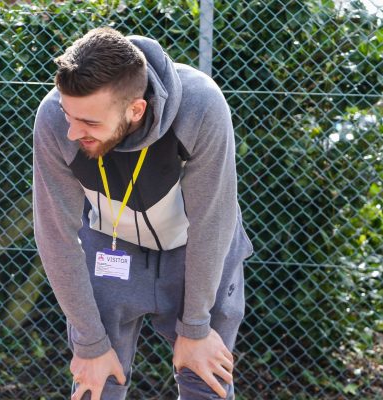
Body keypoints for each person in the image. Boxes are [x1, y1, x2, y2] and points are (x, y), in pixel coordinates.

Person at [32, 28, 253, 400]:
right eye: (69, 115)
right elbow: (56, 235)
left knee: (205, 378)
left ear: (136, 109)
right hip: (110, 243)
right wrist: (89, 343)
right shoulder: (56, 118)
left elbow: (212, 219)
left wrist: (196, 326)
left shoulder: (200, 105)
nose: (71, 132)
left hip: (196, 249)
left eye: (89, 123)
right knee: (96, 383)